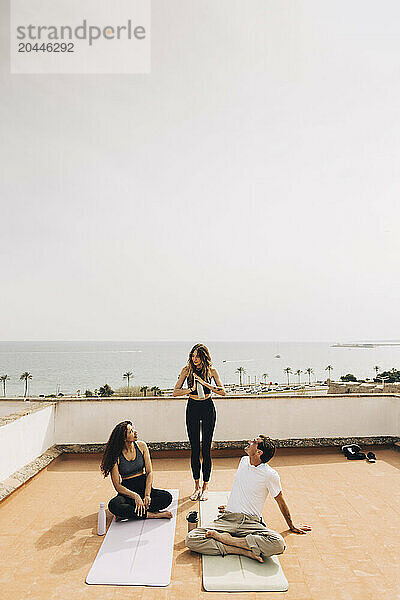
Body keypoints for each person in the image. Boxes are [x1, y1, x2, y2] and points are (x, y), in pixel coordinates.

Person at [186, 435, 311, 562]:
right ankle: (239, 549)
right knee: (191, 539)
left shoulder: (270, 475)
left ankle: (229, 540)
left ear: (258, 452)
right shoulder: (243, 461)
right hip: (228, 519)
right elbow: (243, 486)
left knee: (278, 544)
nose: (249, 441)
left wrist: (291, 525)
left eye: (254, 442)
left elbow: (280, 500)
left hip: (251, 523)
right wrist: (232, 505)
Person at [173, 343, 226, 501]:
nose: (194, 359)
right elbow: (175, 392)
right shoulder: (186, 371)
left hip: (208, 407)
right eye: (192, 356)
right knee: (195, 449)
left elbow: (222, 392)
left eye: (197, 356)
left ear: (204, 356)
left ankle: (205, 487)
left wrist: (204, 383)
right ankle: (196, 487)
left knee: (206, 449)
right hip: (193, 407)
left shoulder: (212, 371)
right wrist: (191, 388)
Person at [100, 420, 173, 520]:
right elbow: (117, 485)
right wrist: (136, 497)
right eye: (131, 431)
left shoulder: (142, 446)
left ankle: (130, 513)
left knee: (167, 498)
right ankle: (153, 515)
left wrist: (147, 495)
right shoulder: (116, 455)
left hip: (144, 487)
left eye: (133, 429)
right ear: (124, 438)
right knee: (114, 505)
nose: (135, 432)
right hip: (128, 493)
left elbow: (149, 472)